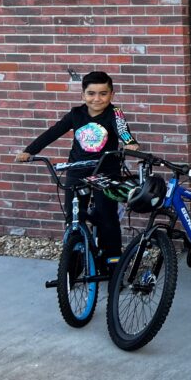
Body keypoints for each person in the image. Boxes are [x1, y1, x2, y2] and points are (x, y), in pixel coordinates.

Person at [16, 70, 139, 268]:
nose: (97, 99)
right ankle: (73, 260)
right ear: (83, 95)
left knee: (107, 216)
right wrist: (29, 151)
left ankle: (114, 261)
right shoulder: (76, 114)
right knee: (73, 215)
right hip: (77, 169)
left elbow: (123, 131)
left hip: (105, 171)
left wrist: (130, 143)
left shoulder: (114, 114)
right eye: (91, 93)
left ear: (112, 95)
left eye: (103, 93)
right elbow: (52, 132)